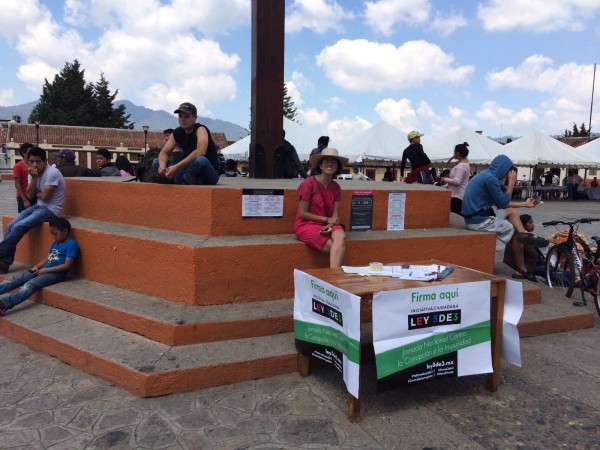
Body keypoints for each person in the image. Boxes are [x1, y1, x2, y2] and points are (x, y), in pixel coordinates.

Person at [461, 154, 546, 282]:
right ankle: (521, 269)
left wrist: (524, 204)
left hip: (474, 217)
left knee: (511, 212)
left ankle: (523, 232)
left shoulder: (486, 175)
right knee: (515, 233)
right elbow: (502, 203)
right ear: (503, 169)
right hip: (478, 221)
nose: (507, 175)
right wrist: (511, 183)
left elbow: (502, 202)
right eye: (507, 172)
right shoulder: (491, 179)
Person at [0, 147, 66, 274]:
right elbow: (30, 195)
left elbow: (45, 197)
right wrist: (35, 180)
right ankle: (5, 262)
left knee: (19, 226)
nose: (35, 164)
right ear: (28, 161)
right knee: (10, 226)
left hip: (51, 210)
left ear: (45, 161)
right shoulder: (32, 174)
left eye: (38, 161)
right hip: (38, 206)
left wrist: (37, 193)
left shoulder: (52, 173)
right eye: (32, 161)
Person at [0, 218, 79, 315]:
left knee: (30, 284)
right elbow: (48, 258)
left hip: (56, 274)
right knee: (16, 279)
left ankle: (3, 304)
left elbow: (66, 266)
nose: (54, 237)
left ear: (65, 231)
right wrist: (37, 266)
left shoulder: (71, 244)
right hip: (44, 269)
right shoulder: (56, 243)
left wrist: (45, 271)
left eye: (55, 234)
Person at [295, 148, 347, 268]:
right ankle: (335, 278)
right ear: (320, 165)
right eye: (326, 161)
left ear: (337, 167)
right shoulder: (308, 184)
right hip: (306, 224)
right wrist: (326, 220)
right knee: (333, 247)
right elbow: (303, 213)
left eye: (334, 162)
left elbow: (335, 216)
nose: (330, 164)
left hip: (328, 224)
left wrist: (329, 224)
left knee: (341, 237)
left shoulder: (336, 187)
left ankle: (334, 278)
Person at [153, 102, 220, 185]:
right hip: (188, 169)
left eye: (186, 116)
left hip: (209, 172)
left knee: (201, 160)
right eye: (180, 116)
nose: (182, 119)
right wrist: (162, 165)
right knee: (156, 162)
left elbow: (201, 152)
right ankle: (188, 178)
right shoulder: (177, 132)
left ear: (195, 117)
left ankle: (176, 178)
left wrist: (176, 167)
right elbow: (164, 152)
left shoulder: (201, 129)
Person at [503, 214, 545, 279]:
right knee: (553, 272)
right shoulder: (520, 238)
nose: (533, 224)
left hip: (533, 264)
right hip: (530, 266)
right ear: (523, 225)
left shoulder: (523, 236)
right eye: (530, 222)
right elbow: (533, 255)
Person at [440, 142, 470, 216]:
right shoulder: (465, 164)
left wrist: (445, 179)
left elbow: (457, 181)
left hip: (457, 196)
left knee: (456, 217)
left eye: (454, 151)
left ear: (458, 153)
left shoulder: (461, 166)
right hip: (459, 195)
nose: (453, 153)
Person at [13, 143, 35, 212]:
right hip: (23, 196)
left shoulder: (34, 164)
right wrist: (25, 200)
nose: (33, 153)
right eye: (31, 151)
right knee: (24, 218)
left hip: (34, 194)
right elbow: (17, 184)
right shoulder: (18, 166)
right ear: (24, 153)